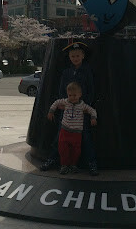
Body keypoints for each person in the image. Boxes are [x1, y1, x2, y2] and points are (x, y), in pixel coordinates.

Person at [40, 41, 99, 176]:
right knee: (59, 138)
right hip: (67, 110)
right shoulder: (66, 72)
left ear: (83, 56)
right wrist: (63, 103)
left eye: (78, 56)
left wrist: (85, 105)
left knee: (86, 138)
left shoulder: (87, 71)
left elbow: (91, 90)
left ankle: (91, 163)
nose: (75, 58)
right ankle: (52, 160)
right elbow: (62, 89)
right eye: (73, 56)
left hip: (81, 110)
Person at [48, 81, 97, 174]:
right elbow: (56, 102)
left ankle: (73, 165)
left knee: (76, 150)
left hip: (76, 133)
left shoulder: (82, 106)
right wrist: (51, 111)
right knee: (63, 149)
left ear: (80, 94)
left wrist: (93, 118)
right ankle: (64, 165)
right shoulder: (66, 102)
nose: (72, 97)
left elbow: (92, 110)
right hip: (65, 131)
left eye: (74, 95)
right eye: (70, 95)